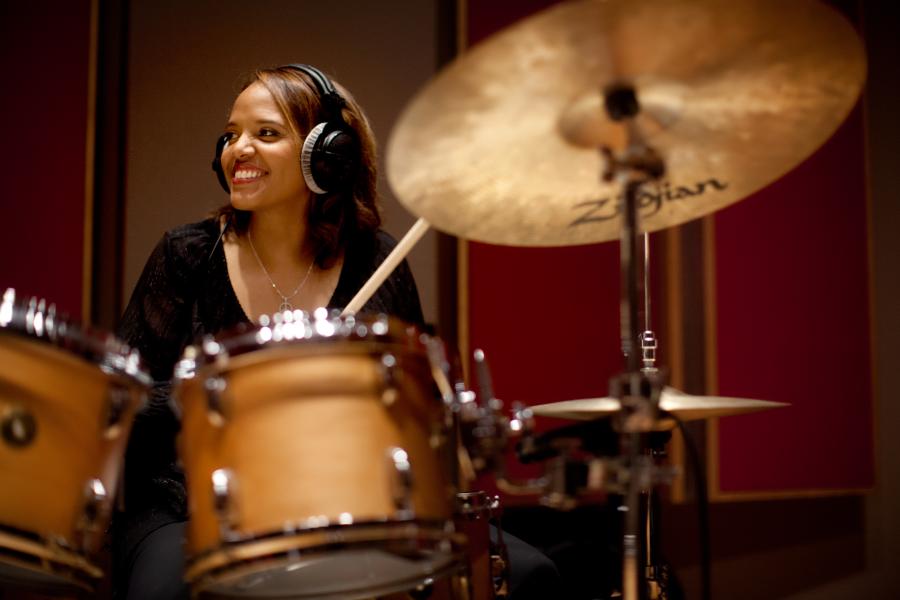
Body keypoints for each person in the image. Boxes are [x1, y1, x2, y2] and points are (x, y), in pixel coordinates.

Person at [113, 64, 559, 599]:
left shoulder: (377, 262)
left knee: (529, 574)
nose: (238, 150)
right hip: (191, 505)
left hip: (348, 505)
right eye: (231, 135)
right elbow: (121, 397)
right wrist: (225, 396)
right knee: (165, 588)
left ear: (327, 155)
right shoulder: (187, 254)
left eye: (266, 133)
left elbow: (417, 410)